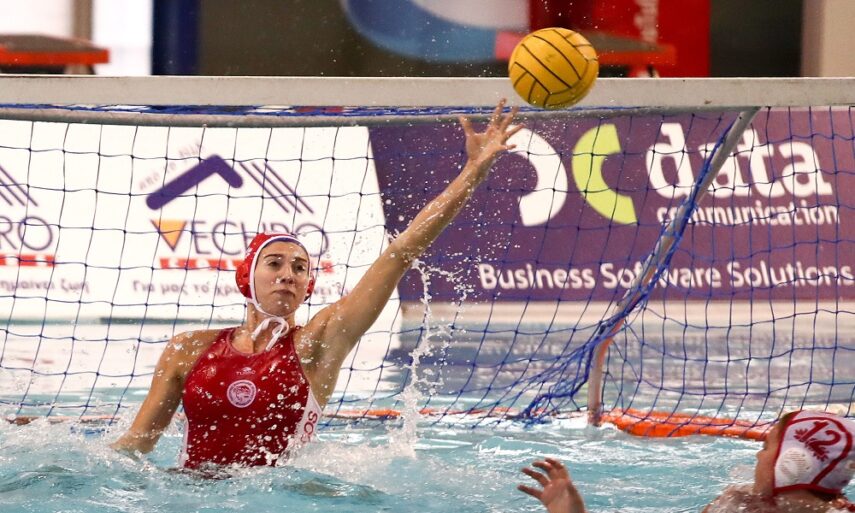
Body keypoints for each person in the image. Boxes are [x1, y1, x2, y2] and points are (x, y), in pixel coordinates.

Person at [111, 100, 521, 469]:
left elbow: (400, 252)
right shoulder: (187, 350)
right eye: (274, 263)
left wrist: (473, 171)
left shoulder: (317, 345)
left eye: (300, 268)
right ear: (246, 277)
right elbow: (134, 447)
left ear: (307, 287)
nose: (288, 274)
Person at [519, 411, 855, 513]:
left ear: (793, 462)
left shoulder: (739, 508)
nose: (758, 454)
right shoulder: (737, 504)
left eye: (767, 447)